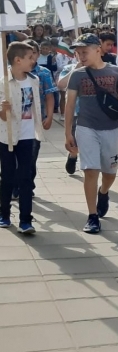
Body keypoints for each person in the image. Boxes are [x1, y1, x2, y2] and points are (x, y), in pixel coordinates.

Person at [64, 34, 118, 234]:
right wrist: (68, 134)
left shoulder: (115, 71)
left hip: (111, 129)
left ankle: (103, 192)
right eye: (78, 53)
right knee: (90, 170)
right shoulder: (77, 75)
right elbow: (69, 106)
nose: (80, 56)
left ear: (98, 50)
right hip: (86, 127)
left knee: (110, 173)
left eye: (84, 52)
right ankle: (92, 216)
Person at [0, 42, 44, 233]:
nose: (33, 61)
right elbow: (2, 116)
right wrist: (2, 109)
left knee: (26, 177)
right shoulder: (3, 82)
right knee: (8, 176)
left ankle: (26, 219)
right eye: (29, 57)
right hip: (7, 136)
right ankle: (4, 214)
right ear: (18, 60)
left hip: (28, 136)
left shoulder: (34, 80)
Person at [21, 40, 56, 199]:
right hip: (16, 122)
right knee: (15, 156)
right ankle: (17, 184)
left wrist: (49, 116)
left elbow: (49, 96)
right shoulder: (11, 73)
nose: (31, 56)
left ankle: (27, 184)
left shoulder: (43, 73)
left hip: (36, 122)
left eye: (33, 53)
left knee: (31, 156)